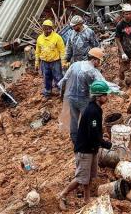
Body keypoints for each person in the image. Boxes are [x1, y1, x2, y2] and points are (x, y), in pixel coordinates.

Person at [59, 80, 112, 209]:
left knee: (88, 177)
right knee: (81, 178)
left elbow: (95, 131)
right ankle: (62, 194)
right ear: (98, 97)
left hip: (92, 148)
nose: (107, 97)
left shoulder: (96, 109)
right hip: (85, 150)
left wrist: (101, 137)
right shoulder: (93, 111)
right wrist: (106, 144)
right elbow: (93, 134)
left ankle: (86, 199)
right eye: (105, 94)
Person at [58, 47, 106, 144]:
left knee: (74, 119)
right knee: (90, 119)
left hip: (71, 97)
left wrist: (61, 95)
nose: (100, 63)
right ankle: (91, 138)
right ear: (95, 60)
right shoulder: (92, 71)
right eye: (99, 61)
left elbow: (64, 80)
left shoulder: (75, 64)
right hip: (84, 99)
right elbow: (104, 84)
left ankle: (75, 139)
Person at [36, 19, 66, 98]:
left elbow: (62, 51)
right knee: (46, 77)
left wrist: (63, 63)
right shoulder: (39, 38)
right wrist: (36, 63)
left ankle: (61, 92)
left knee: (58, 77)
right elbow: (37, 51)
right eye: (46, 29)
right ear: (43, 29)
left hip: (55, 62)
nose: (48, 30)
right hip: (44, 62)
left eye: (50, 28)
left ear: (52, 28)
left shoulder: (57, 37)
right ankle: (47, 92)